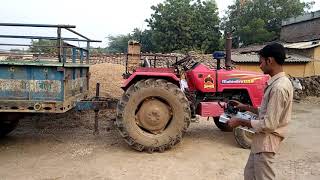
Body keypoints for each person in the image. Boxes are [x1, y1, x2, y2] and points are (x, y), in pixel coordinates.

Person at [227, 43, 293, 180]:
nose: (260, 65)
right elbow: (268, 112)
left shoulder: (279, 88)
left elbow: (269, 124)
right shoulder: (278, 83)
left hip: (266, 143)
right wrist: (246, 107)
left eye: (261, 61)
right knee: (250, 175)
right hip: (260, 142)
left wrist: (239, 121)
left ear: (270, 60)